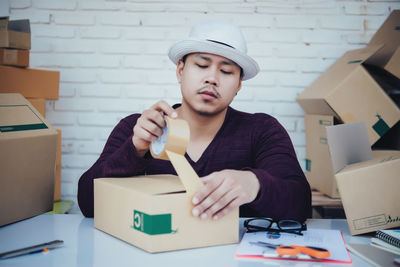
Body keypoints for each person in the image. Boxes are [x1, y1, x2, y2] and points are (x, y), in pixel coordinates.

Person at [78, 20, 311, 222]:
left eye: (227, 71)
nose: (212, 78)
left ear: (239, 84)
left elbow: (301, 204)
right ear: (180, 71)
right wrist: (135, 149)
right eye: (201, 65)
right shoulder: (138, 128)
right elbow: (88, 204)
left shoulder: (262, 131)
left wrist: (255, 184)